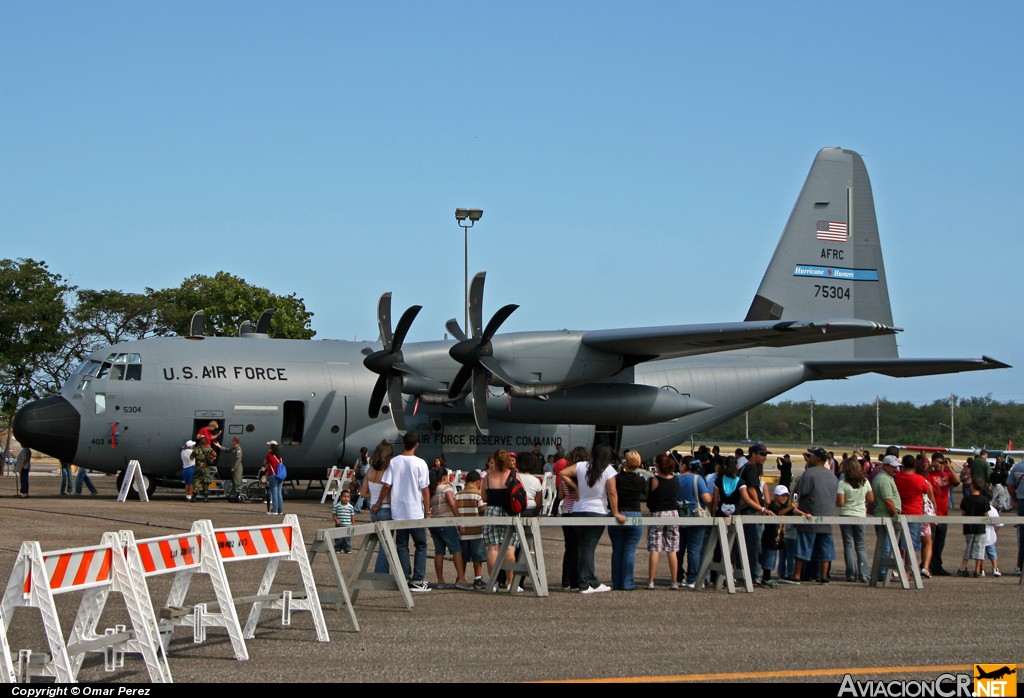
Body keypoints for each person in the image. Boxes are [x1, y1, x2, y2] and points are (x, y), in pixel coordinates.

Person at [558, 443, 625, 594]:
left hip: (577, 510)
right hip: (597, 511)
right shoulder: (608, 470)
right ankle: (584, 584)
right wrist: (616, 512)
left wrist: (575, 488)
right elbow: (612, 493)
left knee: (583, 547)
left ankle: (592, 581)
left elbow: (562, 473)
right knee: (588, 548)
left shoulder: (581, 466)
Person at [376, 432, 431, 592]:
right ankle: (418, 579)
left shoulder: (394, 462)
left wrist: (379, 502)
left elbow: (387, 485)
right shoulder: (421, 463)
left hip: (398, 512)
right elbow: (425, 489)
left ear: (402, 443)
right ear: (416, 445)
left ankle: (405, 576)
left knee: (402, 545)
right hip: (416, 512)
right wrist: (428, 510)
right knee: (420, 545)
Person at [791, 446, 839, 584]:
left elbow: (796, 493)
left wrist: (793, 506)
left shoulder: (809, 474)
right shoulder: (832, 476)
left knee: (803, 548)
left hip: (809, 518)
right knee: (825, 550)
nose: (808, 457)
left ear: (817, 458)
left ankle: (797, 575)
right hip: (827, 518)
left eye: (810, 455)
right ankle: (823, 576)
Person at [428, 464, 472, 590]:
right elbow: (452, 504)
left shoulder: (433, 489)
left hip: (434, 524)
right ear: (444, 477)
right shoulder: (446, 488)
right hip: (446, 523)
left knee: (439, 551)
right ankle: (461, 579)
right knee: (456, 550)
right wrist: (458, 521)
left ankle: (440, 580)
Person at [482, 450, 520, 588]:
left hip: (492, 511)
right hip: (509, 512)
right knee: (510, 548)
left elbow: (484, 497)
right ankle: (510, 582)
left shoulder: (488, 477)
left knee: (493, 548)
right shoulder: (513, 476)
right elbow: (521, 493)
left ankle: (493, 583)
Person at [608, 449, 644, 590]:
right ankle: (628, 583)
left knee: (617, 550)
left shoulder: (616, 478)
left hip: (618, 512)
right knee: (629, 550)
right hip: (635, 514)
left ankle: (616, 582)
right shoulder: (641, 480)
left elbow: (611, 492)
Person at [645, 453, 681, 589]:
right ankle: (674, 581)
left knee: (655, 548)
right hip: (673, 513)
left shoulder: (654, 480)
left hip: (657, 513)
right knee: (672, 549)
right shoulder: (675, 479)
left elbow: (650, 498)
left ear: (658, 466)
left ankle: (651, 581)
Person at [837, 456, 875, 583]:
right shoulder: (865, 482)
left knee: (848, 545)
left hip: (846, 515)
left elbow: (840, 502)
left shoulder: (842, 483)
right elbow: (870, 499)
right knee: (860, 545)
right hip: (860, 515)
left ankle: (851, 574)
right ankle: (864, 573)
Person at [676, 458, 712, 589]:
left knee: (679, 549)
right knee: (694, 550)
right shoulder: (698, 479)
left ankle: (678, 577)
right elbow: (707, 498)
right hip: (696, 517)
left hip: (679, 516)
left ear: (684, 465)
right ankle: (692, 578)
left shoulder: (677, 479)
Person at [360, 440, 394, 574]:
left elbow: (363, 493)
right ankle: (381, 572)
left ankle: (381, 570)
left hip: (373, 510)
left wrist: (373, 497)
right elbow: (389, 491)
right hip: (385, 508)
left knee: (380, 542)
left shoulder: (370, 470)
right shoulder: (387, 470)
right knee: (386, 544)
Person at [925, 453, 959, 576]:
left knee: (940, 542)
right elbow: (921, 477)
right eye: (937, 462)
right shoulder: (929, 475)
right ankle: (926, 565)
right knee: (930, 541)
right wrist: (929, 467)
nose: (940, 465)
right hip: (932, 512)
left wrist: (948, 467)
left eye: (941, 462)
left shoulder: (946, 475)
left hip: (943, 513)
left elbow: (957, 480)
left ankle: (937, 565)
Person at [871, 455, 903, 581]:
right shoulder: (884, 479)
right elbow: (888, 500)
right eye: (893, 467)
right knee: (886, 547)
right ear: (885, 466)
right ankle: (883, 573)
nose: (896, 470)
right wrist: (895, 514)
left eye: (897, 467)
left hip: (886, 515)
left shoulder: (886, 477)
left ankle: (883, 572)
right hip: (886, 516)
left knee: (886, 546)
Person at [455, 470, 487, 589]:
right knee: (477, 557)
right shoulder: (478, 495)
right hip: (476, 531)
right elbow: (482, 510)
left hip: (462, 532)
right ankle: (477, 578)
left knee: (463, 557)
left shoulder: (458, 495)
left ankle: (461, 577)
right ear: (478, 482)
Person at [958, 478, 990, 578]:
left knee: (969, 547)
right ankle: (977, 569)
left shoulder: (966, 498)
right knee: (980, 548)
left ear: (972, 486)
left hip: (968, 527)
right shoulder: (984, 500)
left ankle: (963, 567)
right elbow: (986, 514)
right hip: (980, 528)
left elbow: (963, 513)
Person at [218, 436, 244, 500]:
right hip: (233, 467)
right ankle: (233, 494)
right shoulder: (233, 448)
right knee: (234, 481)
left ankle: (238, 495)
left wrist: (235, 467)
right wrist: (219, 446)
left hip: (237, 468)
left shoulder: (238, 449)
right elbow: (227, 450)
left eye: (233, 441)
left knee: (237, 481)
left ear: (235, 442)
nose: (232, 442)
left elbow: (238, 459)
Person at [192, 435, 216, 502]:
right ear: (205, 443)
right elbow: (215, 454)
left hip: (198, 467)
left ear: (200, 442)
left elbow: (191, 458)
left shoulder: (196, 449)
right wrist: (211, 458)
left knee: (196, 480)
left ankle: (194, 495)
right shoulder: (208, 448)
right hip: (205, 467)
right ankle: (206, 498)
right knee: (206, 482)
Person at [264, 440, 285, 515]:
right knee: (279, 493)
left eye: (269, 446)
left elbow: (264, 463)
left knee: (274, 493)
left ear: (272, 448)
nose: (268, 448)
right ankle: (280, 510)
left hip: (273, 475)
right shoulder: (280, 457)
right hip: (280, 476)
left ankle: (275, 510)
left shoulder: (269, 456)